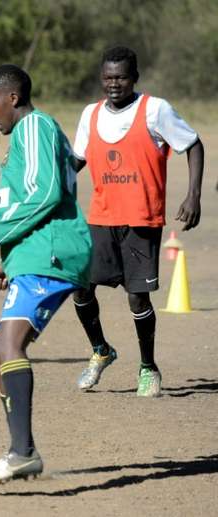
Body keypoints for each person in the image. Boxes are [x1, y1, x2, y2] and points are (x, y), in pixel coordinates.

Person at [0, 65, 92, 485]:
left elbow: (45, 193)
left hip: (53, 253)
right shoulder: (27, 134)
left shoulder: (34, 126)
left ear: (12, 98)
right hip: (39, 252)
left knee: (9, 342)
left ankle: (23, 452)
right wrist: (11, 259)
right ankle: (20, 450)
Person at [71, 46, 204, 397]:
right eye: (108, 77)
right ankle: (100, 350)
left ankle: (148, 367)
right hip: (100, 216)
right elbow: (76, 160)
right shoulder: (90, 114)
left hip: (141, 219)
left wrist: (193, 195)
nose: (114, 83)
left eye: (121, 77)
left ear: (135, 78)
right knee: (80, 287)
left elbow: (192, 144)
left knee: (137, 300)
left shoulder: (155, 110)